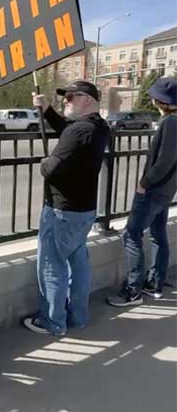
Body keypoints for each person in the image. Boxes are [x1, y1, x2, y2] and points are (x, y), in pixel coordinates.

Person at [23, 81, 110, 336]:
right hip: (84, 211)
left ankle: (53, 322)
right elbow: (67, 131)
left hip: (62, 212)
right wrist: (47, 109)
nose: (66, 101)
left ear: (86, 100)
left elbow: (51, 168)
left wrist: (44, 162)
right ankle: (79, 316)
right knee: (79, 264)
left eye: (70, 97)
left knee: (52, 267)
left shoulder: (79, 131)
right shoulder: (98, 127)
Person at [108, 77, 177, 306]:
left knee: (132, 235)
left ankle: (133, 290)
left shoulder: (170, 123)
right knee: (158, 235)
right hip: (166, 190)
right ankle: (155, 284)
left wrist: (144, 183)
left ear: (162, 100)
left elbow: (165, 160)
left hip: (154, 190)